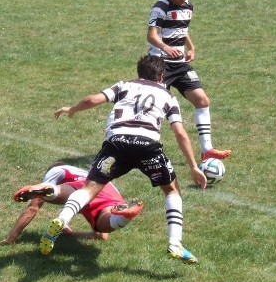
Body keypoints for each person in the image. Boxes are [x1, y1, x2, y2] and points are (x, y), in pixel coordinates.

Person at [40, 55, 207, 264]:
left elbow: (93, 99)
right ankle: (175, 243)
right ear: (162, 76)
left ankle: (62, 218)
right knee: (172, 190)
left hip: (117, 144)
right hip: (148, 147)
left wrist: (72, 109)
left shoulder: (125, 86)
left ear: (139, 73)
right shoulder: (168, 96)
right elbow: (180, 133)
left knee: (89, 188)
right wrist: (193, 166)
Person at [147, 0, 231, 161]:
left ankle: (207, 149)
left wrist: (191, 47)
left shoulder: (188, 6)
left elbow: (182, 30)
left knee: (202, 100)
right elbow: (151, 35)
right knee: (154, 108)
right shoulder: (160, 7)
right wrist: (165, 48)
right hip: (159, 65)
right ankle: (147, 148)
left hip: (180, 65)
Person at [0, 163, 144, 245]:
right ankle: (124, 216)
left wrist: (12, 237)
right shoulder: (83, 172)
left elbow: (33, 207)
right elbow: (101, 236)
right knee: (102, 228)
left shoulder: (57, 170)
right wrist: (72, 234)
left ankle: (47, 190)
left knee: (49, 193)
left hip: (83, 188)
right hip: (107, 189)